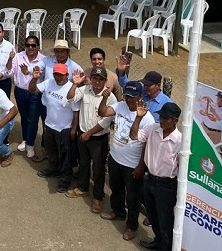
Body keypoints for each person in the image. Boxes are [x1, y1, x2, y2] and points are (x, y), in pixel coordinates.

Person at [97, 81, 154, 241]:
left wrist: (141, 166)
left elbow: (147, 144)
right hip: (115, 158)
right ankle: (118, 211)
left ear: (140, 97)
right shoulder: (120, 106)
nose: (129, 100)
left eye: (133, 97)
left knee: (133, 197)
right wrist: (104, 98)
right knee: (116, 189)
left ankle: (132, 226)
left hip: (132, 165)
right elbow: (102, 112)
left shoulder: (147, 118)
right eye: (127, 96)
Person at [130, 101, 182, 251]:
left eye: (166, 118)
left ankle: (166, 247)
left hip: (166, 185)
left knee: (165, 219)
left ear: (175, 120)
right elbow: (134, 135)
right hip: (149, 179)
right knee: (152, 215)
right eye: (161, 116)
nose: (162, 120)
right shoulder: (153, 129)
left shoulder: (179, 140)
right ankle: (158, 241)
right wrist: (138, 118)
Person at [65, 67, 116, 213]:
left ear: (105, 81)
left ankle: (98, 197)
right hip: (83, 134)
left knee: (99, 168)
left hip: (98, 138)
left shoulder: (110, 97)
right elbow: (70, 98)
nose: (97, 82)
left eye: (101, 79)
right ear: (91, 79)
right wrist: (75, 84)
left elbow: (106, 121)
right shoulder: (85, 89)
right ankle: (82, 187)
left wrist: (89, 133)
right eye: (95, 78)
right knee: (84, 163)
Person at [29, 63, 78, 193]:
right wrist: (34, 78)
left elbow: (76, 111)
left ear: (67, 75)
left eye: (61, 75)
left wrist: (73, 129)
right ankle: (53, 169)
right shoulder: (48, 82)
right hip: (50, 125)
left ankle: (65, 178)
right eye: (56, 74)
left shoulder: (71, 88)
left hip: (64, 128)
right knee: (51, 151)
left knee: (65, 155)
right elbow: (32, 89)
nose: (58, 77)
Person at [12, 35, 44, 158]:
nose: (30, 47)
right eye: (28, 45)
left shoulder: (43, 60)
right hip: (20, 91)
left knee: (33, 119)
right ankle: (25, 139)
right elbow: (11, 71)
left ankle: (30, 145)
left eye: (33, 45)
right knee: (24, 117)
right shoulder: (18, 57)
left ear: (38, 46)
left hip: (35, 93)